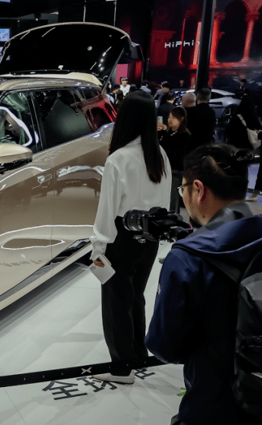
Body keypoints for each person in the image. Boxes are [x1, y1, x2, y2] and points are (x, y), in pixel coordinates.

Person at [147, 144, 262, 425]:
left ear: (198, 189)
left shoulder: (187, 259)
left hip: (214, 418)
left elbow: (165, 347)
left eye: (183, 189)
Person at [89, 91, 172, 384]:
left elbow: (107, 210)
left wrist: (98, 247)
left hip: (121, 236)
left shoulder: (118, 159)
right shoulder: (160, 155)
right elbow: (165, 202)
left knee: (116, 301)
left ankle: (122, 367)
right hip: (150, 235)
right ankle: (137, 354)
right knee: (135, 296)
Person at [158, 107, 191, 212]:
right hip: (164, 169)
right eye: (169, 117)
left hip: (175, 171)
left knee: (172, 199)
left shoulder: (184, 136)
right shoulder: (168, 133)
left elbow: (173, 153)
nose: (170, 120)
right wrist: (160, 133)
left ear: (181, 119)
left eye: (174, 117)